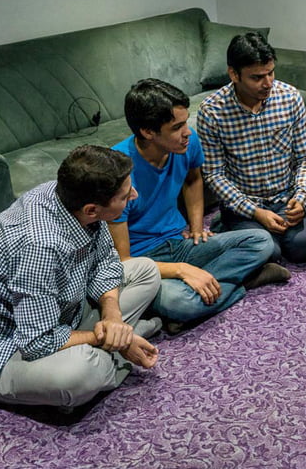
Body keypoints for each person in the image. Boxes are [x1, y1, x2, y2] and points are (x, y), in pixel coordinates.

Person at [0, 145, 162, 411]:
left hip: (64, 314)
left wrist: (112, 317)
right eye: (124, 197)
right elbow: (37, 341)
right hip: (9, 350)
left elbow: (106, 262)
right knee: (82, 373)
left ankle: (116, 342)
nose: (134, 195)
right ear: (91, 210)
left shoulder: (68, 195)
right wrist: (108, 338)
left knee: (146, 270)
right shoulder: (38, 246)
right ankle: (120, 351)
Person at [109, 79, 284, 326]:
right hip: (144, 263)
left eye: (185, 122)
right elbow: (124, 263)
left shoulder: (187, 145)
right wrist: (181, 270)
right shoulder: (118, 171)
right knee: (179, 303)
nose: (187, 132)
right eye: (177, 127)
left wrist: (197, 225)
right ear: (148, 132)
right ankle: (243, 281)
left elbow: (193, 180)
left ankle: (205, 292)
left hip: (180, 242)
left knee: (263, 242)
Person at [198, 31, 306, 263]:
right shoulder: (212, 111)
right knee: (269, 252)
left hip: (285, 197)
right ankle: (227, 222)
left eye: (271, 73)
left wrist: (301, 196)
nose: (268, 83)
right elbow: (214, 174)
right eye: (257, 77)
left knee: (302, 248)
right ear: (234, 74)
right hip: (245, 203)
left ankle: (246, 232)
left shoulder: (290, 97)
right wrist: (255, 212)